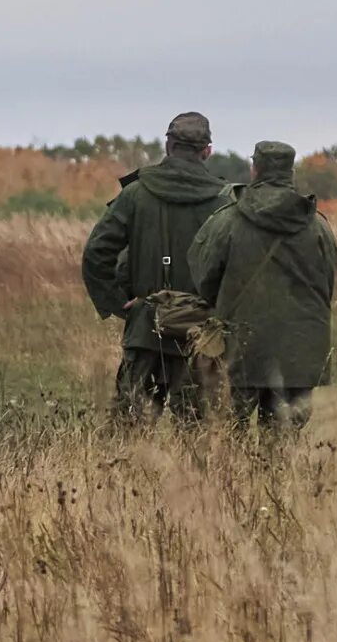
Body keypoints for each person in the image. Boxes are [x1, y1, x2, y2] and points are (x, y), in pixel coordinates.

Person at [78, 110, 236, 420]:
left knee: (129, 428)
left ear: (168, 146)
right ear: (207, 151)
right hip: (202, 332)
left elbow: (97, 253)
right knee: (198, 433)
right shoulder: (225, 201)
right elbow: (239, 266)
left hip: (145, 326)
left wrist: (122, 305)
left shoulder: (136, 194)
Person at [190, 141, 337, 433]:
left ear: (254, 169)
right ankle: (278, 478)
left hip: (241, 346)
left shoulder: (227, 221)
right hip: (300, 348)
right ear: (290, 173)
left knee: (236, 434)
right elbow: (327, 281)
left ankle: (240, 479)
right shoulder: (317, 226)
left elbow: (203, 275)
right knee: (284, 437)